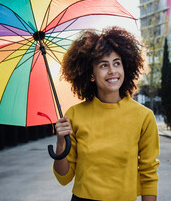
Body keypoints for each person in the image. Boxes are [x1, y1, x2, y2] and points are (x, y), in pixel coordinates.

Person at [53, 26, 160, 201]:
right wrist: (60, 143)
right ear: (91, 75)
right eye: (104, 65)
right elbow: (63, 177)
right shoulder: (74, 115)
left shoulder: (143, 117)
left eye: (117, 63)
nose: (112, 71)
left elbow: (148, 173)